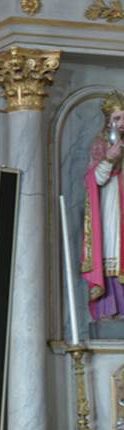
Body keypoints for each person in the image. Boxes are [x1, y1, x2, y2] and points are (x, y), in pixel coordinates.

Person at [82, 91, 124, 319]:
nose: (122, 123)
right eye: (117, 118)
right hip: (111, 205)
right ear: (108, 121)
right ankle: (111, 310)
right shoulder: (101, 144)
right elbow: (95, 179)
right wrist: (109, 158)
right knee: (112, 250)